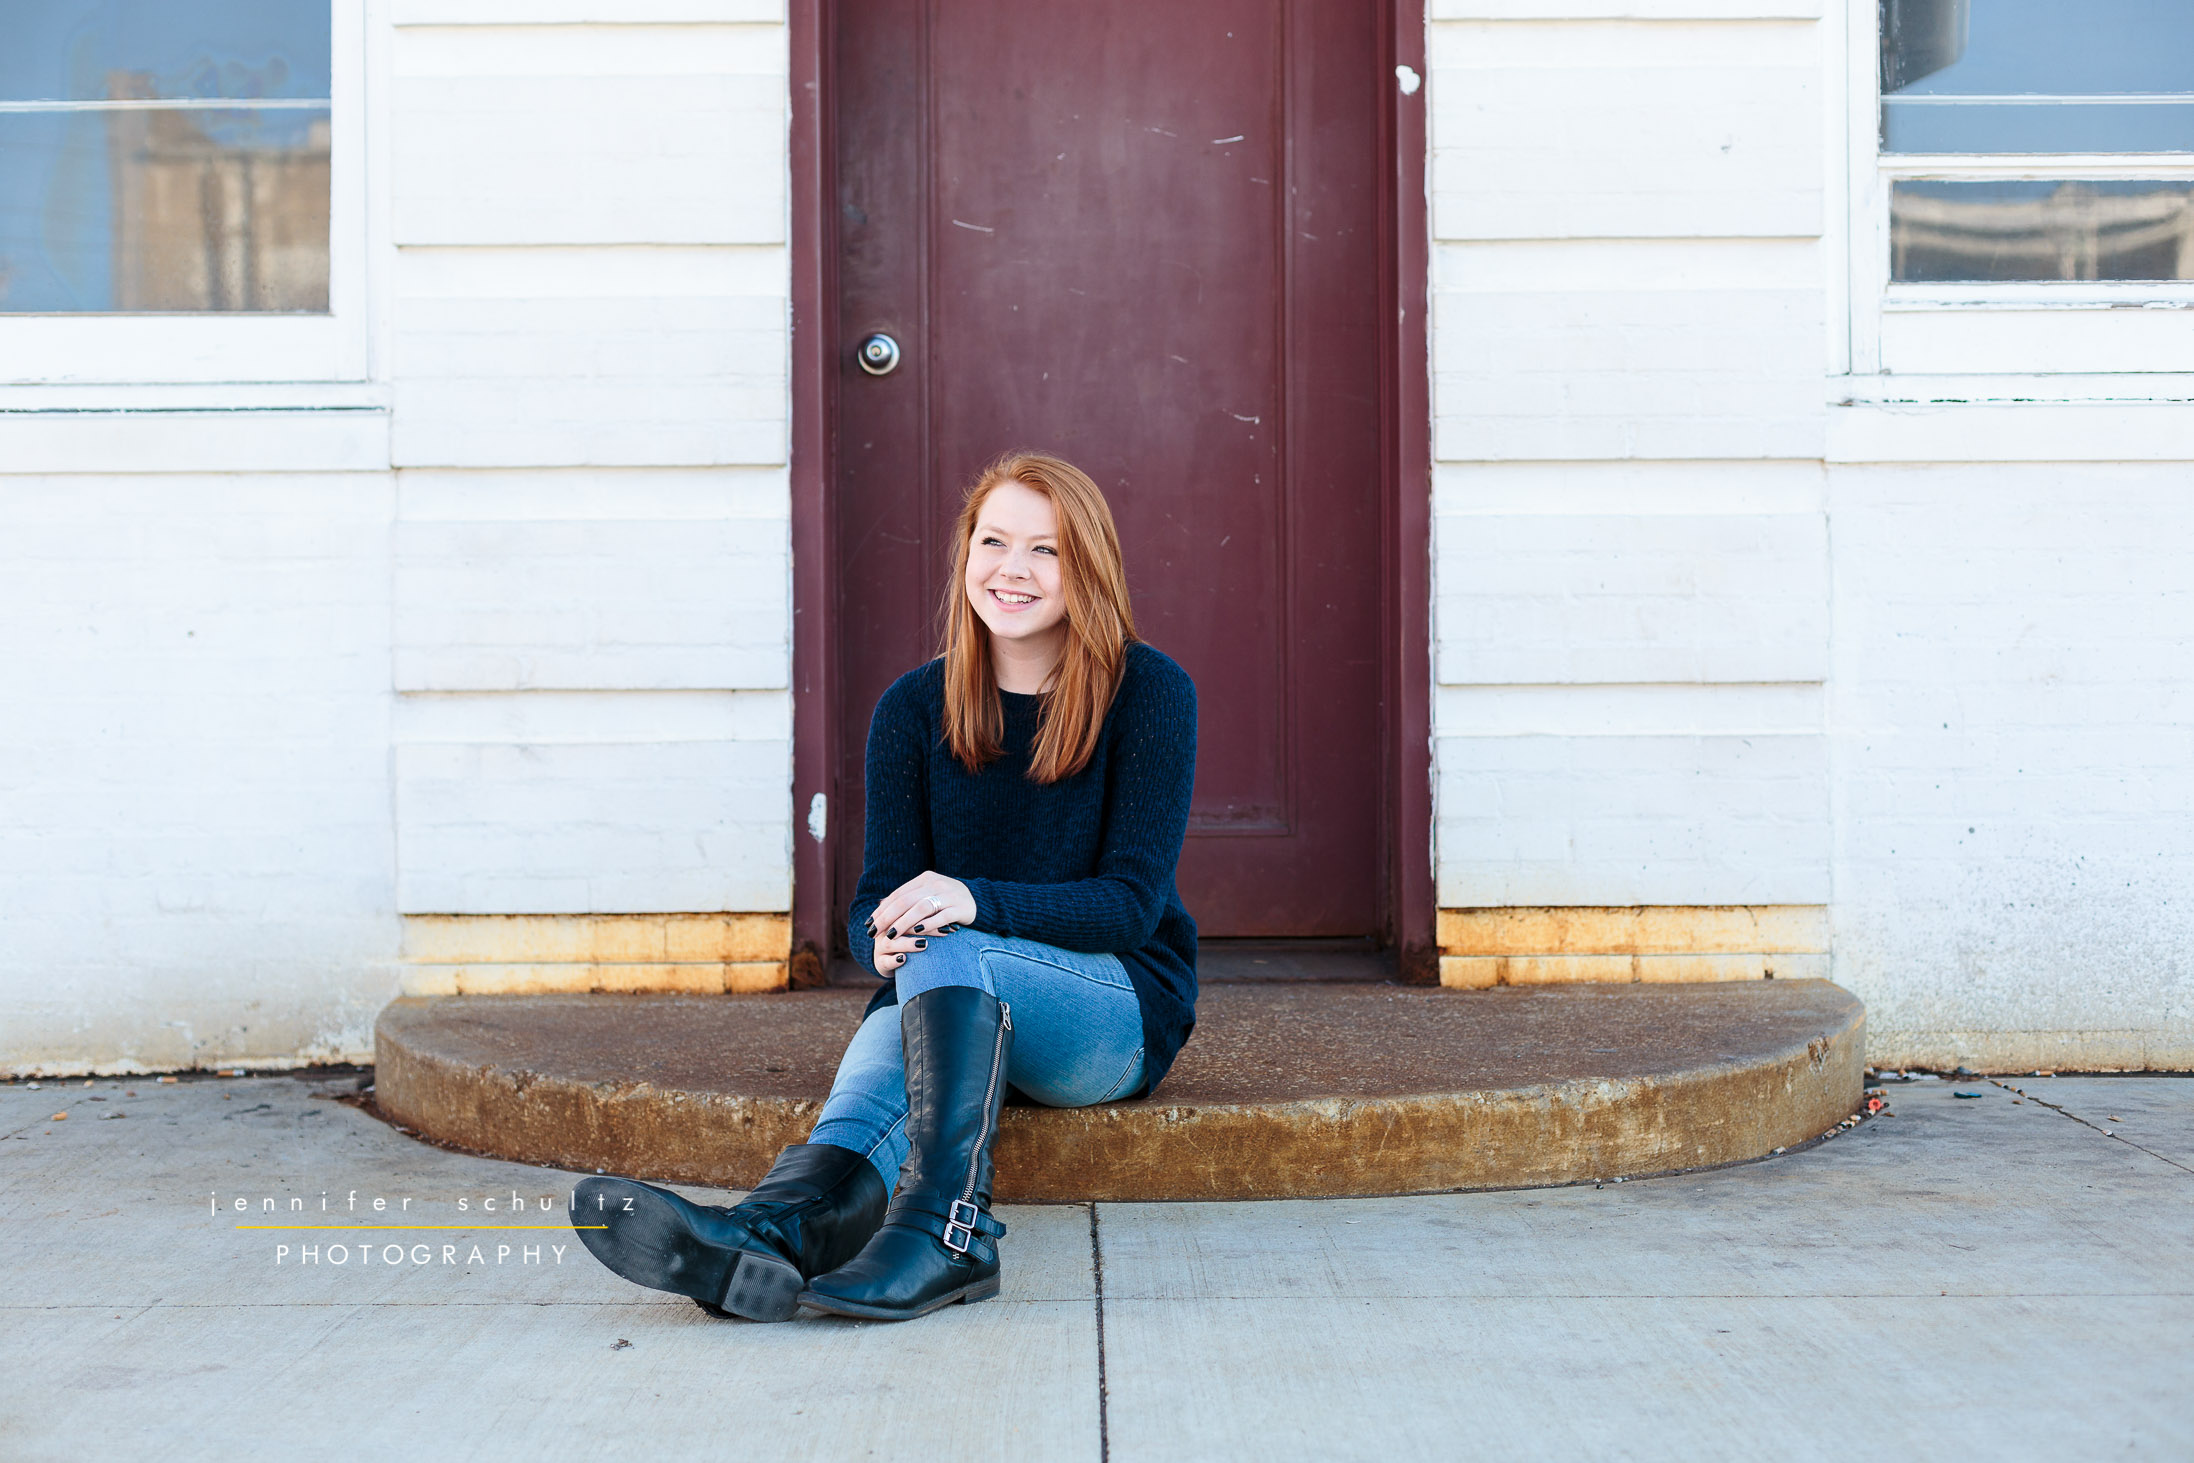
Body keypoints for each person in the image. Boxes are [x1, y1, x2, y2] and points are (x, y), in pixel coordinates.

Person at [573, 451, 1199, 1323]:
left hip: (1110, 1013)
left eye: (1046, 550)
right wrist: (883, 932)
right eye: (994, 541)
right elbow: (876, 895)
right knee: (900, 1033)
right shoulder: (912, 709)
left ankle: (951, 1233)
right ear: (965, 553)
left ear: (1087, 566)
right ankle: (768, 1232)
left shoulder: (1151, 693)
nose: (1012, 569)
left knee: (955, 947)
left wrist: (972, 901)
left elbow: (1130, 904)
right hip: (953, 991)